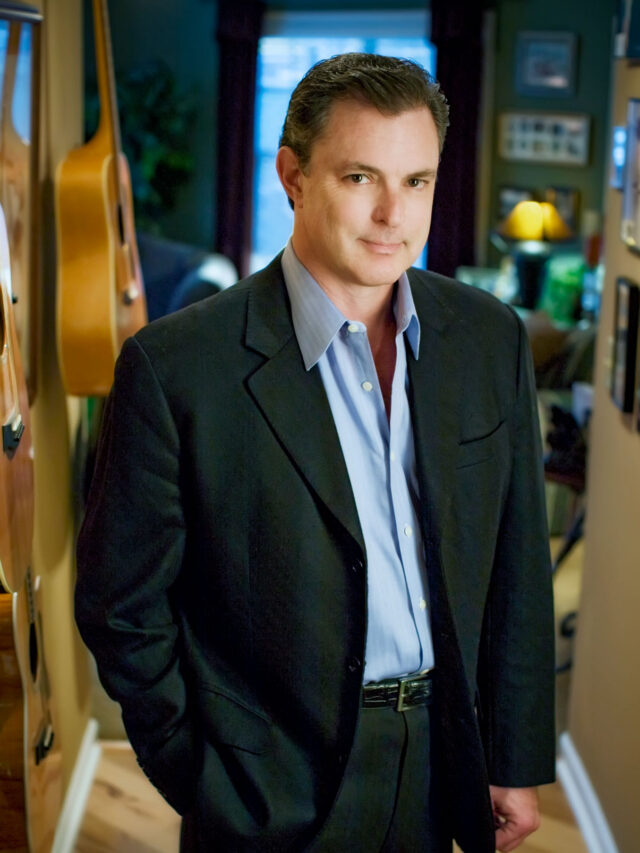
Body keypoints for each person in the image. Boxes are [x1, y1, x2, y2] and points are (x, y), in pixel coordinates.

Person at [75, 53, 555, 852]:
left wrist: (513, 754)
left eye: (418, 182)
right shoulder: (176, 367)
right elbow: (122, 605)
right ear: (292, 176)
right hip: (269, 784)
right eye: (360, 177)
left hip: (445, 756)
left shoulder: (488, 339)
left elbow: (517, 567)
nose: (392, 215)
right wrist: (202, 774)